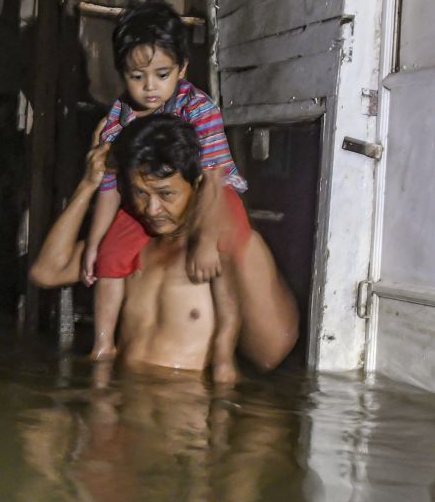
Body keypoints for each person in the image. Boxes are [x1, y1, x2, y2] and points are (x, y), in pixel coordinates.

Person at [29, 115, 297, 380]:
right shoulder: (128, 243)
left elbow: (270, 356)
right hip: (121, 405)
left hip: (182, 411)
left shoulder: (226, 250)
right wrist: (88, 185)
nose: (152, 210)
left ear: (195, 184)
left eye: (166, 194)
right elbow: (46, 272)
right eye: (141, 194)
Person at [84, 0, 247, 361]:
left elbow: (215, 175)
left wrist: (205, 239)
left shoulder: (199, 108)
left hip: (211, 191)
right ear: (121, 72)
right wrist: (95, 243)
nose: (150, 88)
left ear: (182, 68)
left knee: (226, 245)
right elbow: (110, 185)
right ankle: (103, 344)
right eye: (136, 77)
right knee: (110, 255)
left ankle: (224, 354)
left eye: (162, 75)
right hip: (151, 196)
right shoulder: (119, 116)